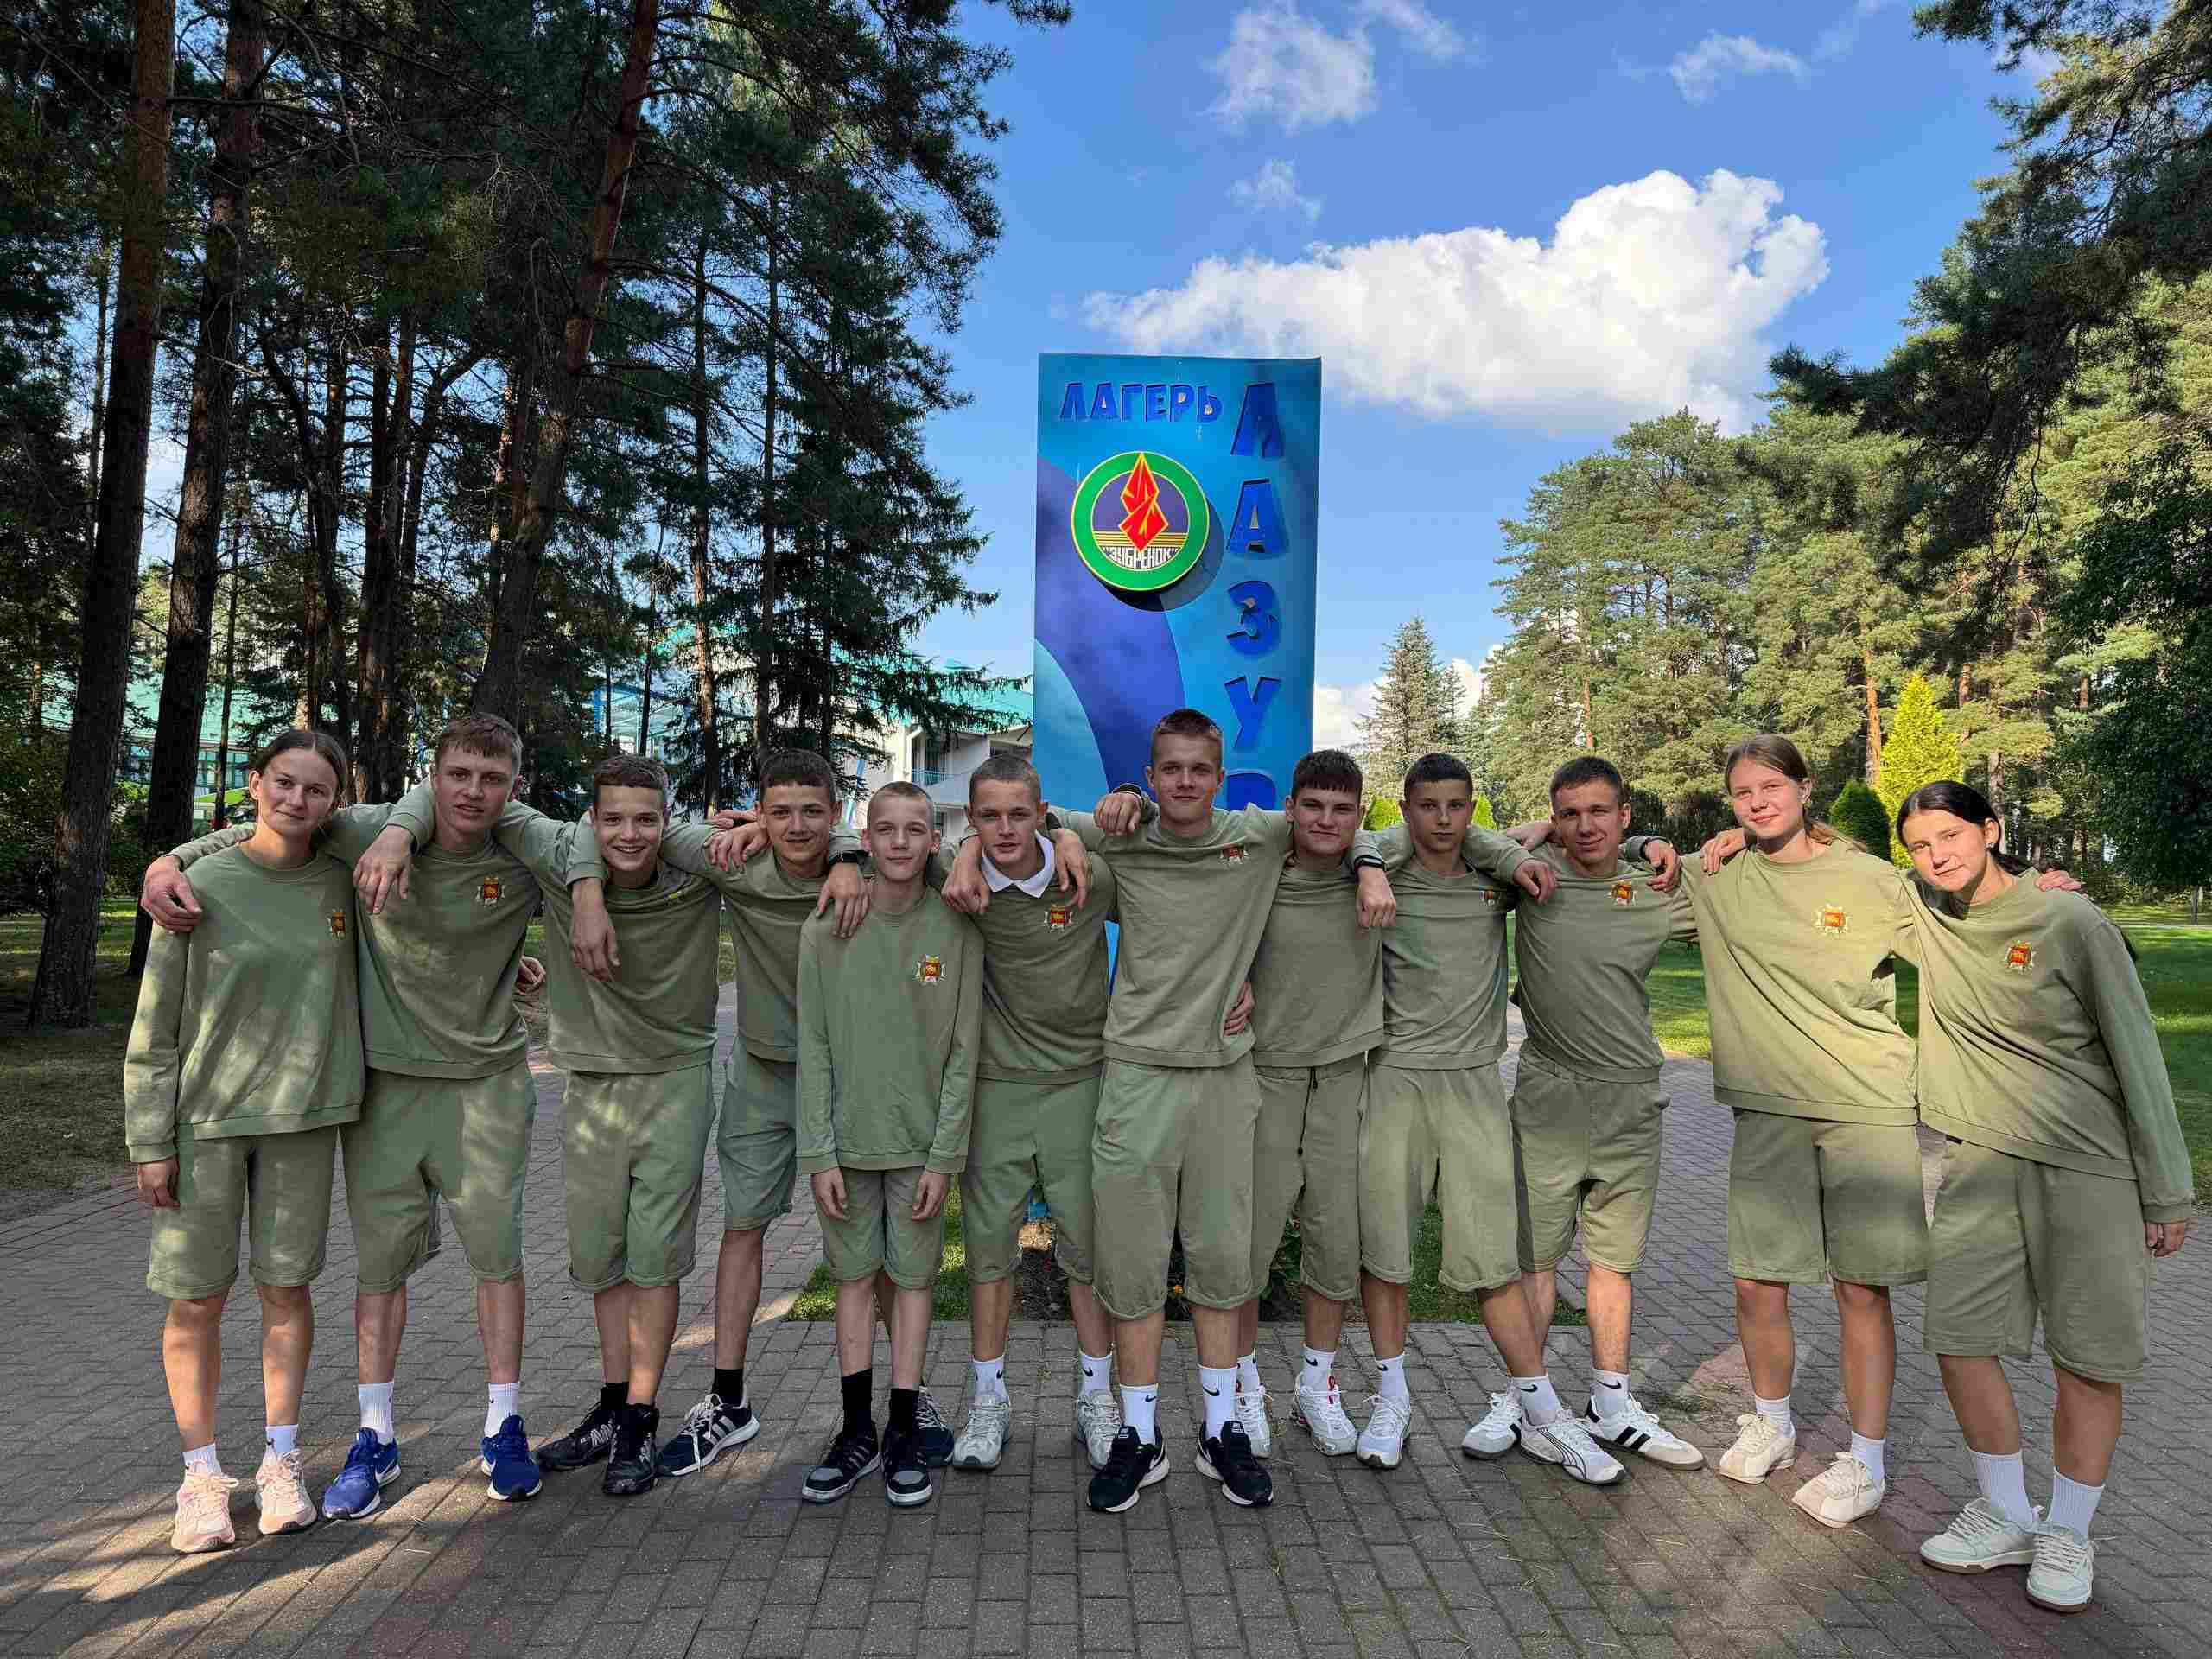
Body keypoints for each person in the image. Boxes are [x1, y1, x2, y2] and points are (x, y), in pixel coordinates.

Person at [140, 714, 595, 1515]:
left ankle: (503, 1425)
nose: (473, 792)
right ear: (432, 775)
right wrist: (168, 860)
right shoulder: (361, 833)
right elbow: (274, 827)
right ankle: (374, 1436)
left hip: (486, 1089)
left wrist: (585, 899)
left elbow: (606, 843)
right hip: (382, 1089)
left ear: (514, 786)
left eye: (492, 778)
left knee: (497, 1260)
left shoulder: (521, 847)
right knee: (378, 1273)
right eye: (458, 775)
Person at [948, 709, 1398, 1515]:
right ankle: (1139, 1433)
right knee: (1131, 1268)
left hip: (1226, 1082)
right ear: (1151, 777)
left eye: (1200, 769)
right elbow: (1016, 823)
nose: (1186, 781)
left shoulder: (1258, 836)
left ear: (1220, 778)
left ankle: (1222, 1431)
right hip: (1136, 1080)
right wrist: (994, 844)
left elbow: (1344, 827)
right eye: (1171, 769)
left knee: (1222, 1267)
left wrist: (1369, 868)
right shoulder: (1122, 834)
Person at [376, 753, 727, 1497]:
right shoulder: (555, 846)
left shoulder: (692, 861)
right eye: (613, 819)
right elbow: (469, 798)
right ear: (589, 821)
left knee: (655, 1259)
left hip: (675, 1081)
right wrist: (401, 833)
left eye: (647, 819)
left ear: (667, 821)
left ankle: (640, 1416)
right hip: (589, 1086)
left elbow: (788, 846)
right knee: (601, 1258)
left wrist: (844, 855)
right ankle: (611, 1403)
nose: (630, 834)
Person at [1891, 783, 2190, 1614]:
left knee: (2088, 1357)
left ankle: (2069, 1531)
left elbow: (2137, 1050)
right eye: (1920, 845)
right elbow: (1809, 862)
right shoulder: (1923, 912)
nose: (1937, 855)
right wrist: (1656, 847)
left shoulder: (2071, 920)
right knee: (1958, 1338)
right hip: (1978, 1161)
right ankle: (2005, 1514)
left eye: (1951, 836)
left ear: (1990, 830)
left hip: (2087, 1166)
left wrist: (2167, 1191)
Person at [592, 749, 868, 1478]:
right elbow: (630, 833)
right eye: (780, 813)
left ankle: (899, 1399)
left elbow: (955, 844)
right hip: (761, 1073)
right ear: (759, 815)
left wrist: (851, 854)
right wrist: (587, 895)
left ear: (837, 813)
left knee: (865, 1243)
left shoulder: (869, 867)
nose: (797, 827)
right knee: (742, 1228)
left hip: (851, 1079)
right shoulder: (730, 861)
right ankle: (729, 1400)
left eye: (814, 812)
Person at [127, 730, 365, 1552]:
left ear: (335, 803)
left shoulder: (345, 880)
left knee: (286, 1291)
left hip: (304, 1122)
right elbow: (155, 1025)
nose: (297, 800)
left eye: (317, 790)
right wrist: (149, 1139)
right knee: (195, 1300)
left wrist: (510, 973)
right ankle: (200, 1477)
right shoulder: (194, 887)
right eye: (283, 782)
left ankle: (280, 1460)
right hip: (204, 1127)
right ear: (255, 783)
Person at [1354, 754, 1614, 1483]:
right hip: (1394, 1079)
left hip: (1473, 1085)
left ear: (1473, 810)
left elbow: (1560, 839)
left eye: (1457, 806)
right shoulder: (1381, 866)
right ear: (1406, 808)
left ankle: (1544, 1414)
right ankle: (1392, 1400)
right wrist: (1371, 868)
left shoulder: (1494, 875)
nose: (1442, 819)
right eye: (1427, 805)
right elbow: (1356, 841)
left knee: (1493, 1261)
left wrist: (1529, 841)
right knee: (1387, 1254)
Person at [1499, 756, 1705, 1469]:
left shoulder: (1660, 886)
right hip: (1548, 1098)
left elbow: (1756, 865)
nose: (1585, 826)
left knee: (1614, 1261)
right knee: (1535, 1260)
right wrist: (1535, 831)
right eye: (1569, 813)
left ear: (1625, 815)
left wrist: (1652, 846)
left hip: (1631, 1101)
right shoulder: (1531, 877)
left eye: (1599, 812)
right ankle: (1525, 1401)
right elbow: (1466, 842)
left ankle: (1612, 1405)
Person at [931, 755, 1123, 1472]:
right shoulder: (957, 881)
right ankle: (988, 1402)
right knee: (988, 1255)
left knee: (1088, 1252)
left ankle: (1097, 1398)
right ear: (971, 821)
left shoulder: (1090, 877)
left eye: (1020, 814)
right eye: (988, 817)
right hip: (996, 1090)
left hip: (1081, 1085)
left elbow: (1173, 890)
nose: (1005, 829)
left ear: (1043, 814)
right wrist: (960, 857)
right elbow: (874, 843)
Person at [797, 782, 982, 1508]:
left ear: (935, 841)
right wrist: (818, 1152)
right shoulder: (825, 929)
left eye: (915, 830)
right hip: (845, 1148)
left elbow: (964, 1050)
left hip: (921, 1150)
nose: (900, 842)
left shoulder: (957, 928)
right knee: (851, 1280)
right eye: (886, 829)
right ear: (864, 839)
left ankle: (903, 1426)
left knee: (913, 1283)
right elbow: (813, 1046)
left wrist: (945, 1155)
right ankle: (856, 1431)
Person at [1239, 749, 1388, 1459]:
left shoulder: (1379, 865)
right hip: (1267, 1076)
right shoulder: (1257, 863)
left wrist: (1370, 862)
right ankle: (1241, 1386)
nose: (1327, 821)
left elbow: (1487, 841)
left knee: (1334, 1247)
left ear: (1360, 814)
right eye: (1314, 806)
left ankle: (1316, 1384)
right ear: (1290, 809)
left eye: (1343, 809)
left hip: (1343, 1078)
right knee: (1247, 1246)